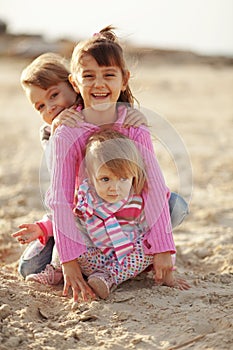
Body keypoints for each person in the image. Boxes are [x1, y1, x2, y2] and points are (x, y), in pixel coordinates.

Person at [45, 25, 189, 302]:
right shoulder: (68, 131)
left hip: (127, 219)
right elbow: (61, 198)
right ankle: (69, 262)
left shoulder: (134, 126)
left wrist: (162, 250)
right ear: (75, 83)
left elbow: (154, 188)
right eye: (89, 76)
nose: (99, 84)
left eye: (108, 75)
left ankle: (109, 274)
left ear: (124, 80)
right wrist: (69, 264)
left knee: (173, 206)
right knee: (36, 263)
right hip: (90, 222)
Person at [11, 52, 150, 284]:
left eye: (54, 95)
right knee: (29, 268)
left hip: (115, 201)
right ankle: (59, 239)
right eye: (41, 106)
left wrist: (132, 114)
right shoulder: (55, 133)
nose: (50, 107)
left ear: (73, 84)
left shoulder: (105, 113)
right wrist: (56, 132)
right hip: (77, 210)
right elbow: (61, 190)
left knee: (173, 205)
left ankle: (112, 258)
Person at [73, 129, 189, 299]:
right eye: (105, 179)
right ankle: (56, 269)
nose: (114, 187)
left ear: (133, 177)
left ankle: (109, 279)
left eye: (123, 179)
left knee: (150, 246)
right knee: (69, 230)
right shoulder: (86, 197)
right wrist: (43, 230)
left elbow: (152, 235)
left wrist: (167, 269)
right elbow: (67, 221)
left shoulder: (136, 203)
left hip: (124, 261)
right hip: (93, 258)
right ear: (91, 178)